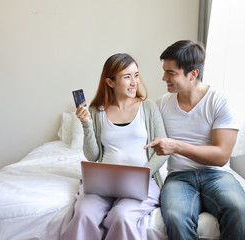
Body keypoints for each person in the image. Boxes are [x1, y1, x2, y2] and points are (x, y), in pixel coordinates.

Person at [144, 40, 245, 239]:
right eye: (164, 71)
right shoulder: (162, 104)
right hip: (179, 177)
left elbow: (221, 156)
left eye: (171, 73)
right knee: (176, 218)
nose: (163, 78)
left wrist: (176, 145)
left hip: (216, 175)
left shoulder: (218, 101)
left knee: (237, 209)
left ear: (193, 74)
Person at [60, 53, 168, 240]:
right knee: (84, 213)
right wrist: (86, 124)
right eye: (127, 77)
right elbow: (92, 156)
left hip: (142, 182)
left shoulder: (149, 108)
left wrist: (141, 175)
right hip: (104, 184)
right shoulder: (95, 111)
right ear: (110, 82)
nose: (134, 82)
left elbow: (163, 151)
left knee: (122, 216)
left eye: (136, 75)